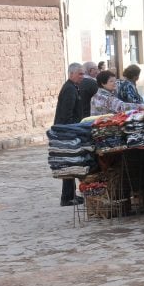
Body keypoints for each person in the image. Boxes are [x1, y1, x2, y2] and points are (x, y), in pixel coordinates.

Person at [53, 62, 86, 207]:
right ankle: (67, 197)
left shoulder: (73, 88)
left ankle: (70, 194)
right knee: (69, 165)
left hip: (68, 131)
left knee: (71, 165)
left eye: (83, 73)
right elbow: (67, 115)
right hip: (67, 132)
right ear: (71, 74)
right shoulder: (69, 90)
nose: (82, 76)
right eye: (80, 73)